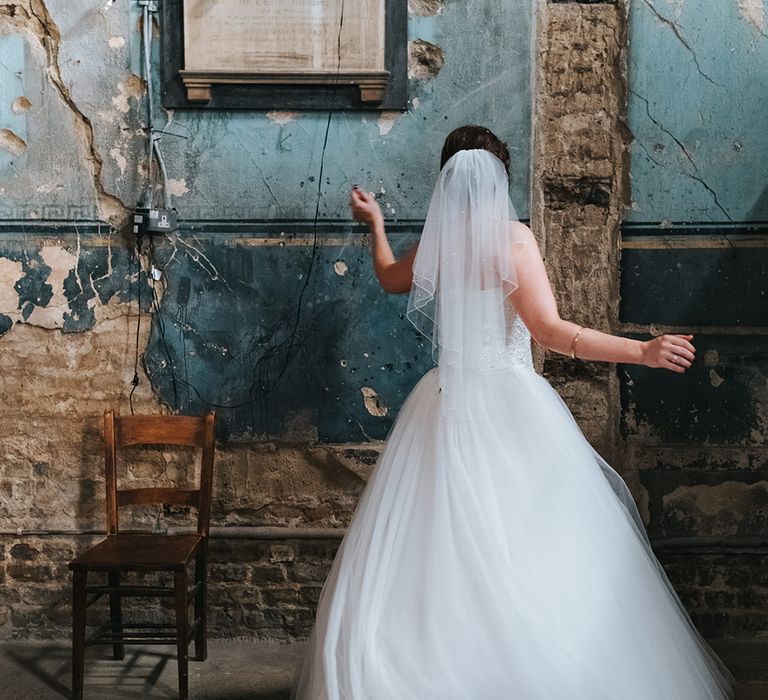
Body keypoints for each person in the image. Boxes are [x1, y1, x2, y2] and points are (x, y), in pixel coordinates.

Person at [292, 126, 735, 699]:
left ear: (447, 179)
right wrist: (641, 351)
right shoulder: (515, 240)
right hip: (511, 404)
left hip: (444, 405)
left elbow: (387, 279)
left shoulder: (439, 242)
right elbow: (553, 334)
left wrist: (375, 223)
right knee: (529, 550)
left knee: (438, 550)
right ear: (501, 178)